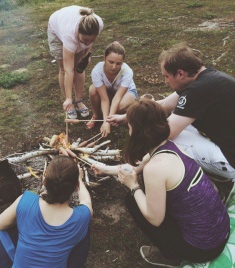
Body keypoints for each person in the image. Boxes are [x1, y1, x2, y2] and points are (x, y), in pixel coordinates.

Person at [92, 99, 230, 267]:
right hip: (220, 230)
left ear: (136, 129)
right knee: (143, 195)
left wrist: (133, 186)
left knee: (132, 200)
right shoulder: (170, 146)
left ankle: (169, 256)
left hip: (204, 248)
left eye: (129, 124)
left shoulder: (155, 169)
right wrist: (105, 169)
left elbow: (155, 219)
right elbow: (134, 169)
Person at [107, 43, 235, 181]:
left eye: (166, 76)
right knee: (179, 123)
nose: (165, 81)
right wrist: (126, 117)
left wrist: (136, 128)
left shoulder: (197, 90)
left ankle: (136, 169)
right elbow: (165, 105)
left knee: (166, 140)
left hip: (230, 159)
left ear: (180, 73)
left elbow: (166, 133)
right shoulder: (206, 76)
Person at [0, 156, 93, 268]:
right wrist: (79, 180)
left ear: (44, 182)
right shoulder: (81, 217)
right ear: (76, 187)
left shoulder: (26, 201)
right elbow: (86, 202)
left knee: (10, 221)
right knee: (85, 228)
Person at [48, 5, 104, 119]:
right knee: (64, 68)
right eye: (85, 40)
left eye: (91, 40)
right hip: (56, 27)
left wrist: (87, 54)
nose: (88, 43)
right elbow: (69, 70)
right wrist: (69, 98)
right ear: (78, 32)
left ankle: (79, 100)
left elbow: (89, 43)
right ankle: (70, 103)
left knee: (79, 67)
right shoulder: (69, 35)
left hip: (72, 27)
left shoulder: (98, 24)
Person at [86, 41, 137, 137]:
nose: (114, 67)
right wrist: (106, 121)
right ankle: (97, 115)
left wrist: (107, 122)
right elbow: (104, 99)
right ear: (104, 58)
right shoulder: (97, 71)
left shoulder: (127, 71)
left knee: (119, 106)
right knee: (92, 90)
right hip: (108, 91)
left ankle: (119, 115)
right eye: (111, 62)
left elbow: (117, 97)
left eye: (118, 63)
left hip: (126, 93)